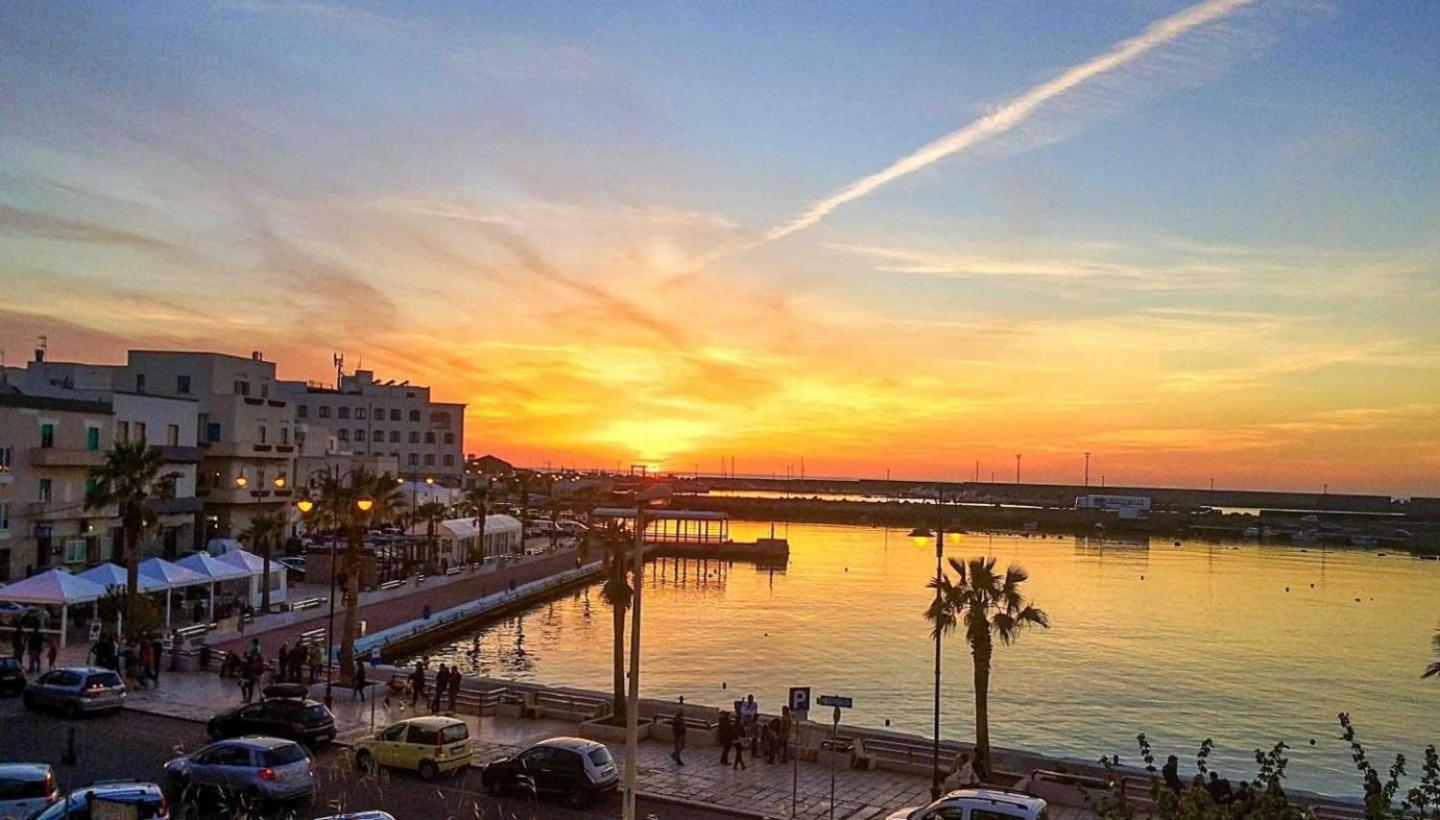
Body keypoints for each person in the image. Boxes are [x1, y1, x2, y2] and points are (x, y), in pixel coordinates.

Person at [670, 702, 687, 766]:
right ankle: (678, 760)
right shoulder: (677, 719)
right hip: (678, 735)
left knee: (682, 746)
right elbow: (676, 727)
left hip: (682, 734)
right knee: (678, 747)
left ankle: (674, 755)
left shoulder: (681, 718)